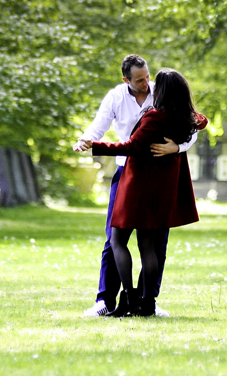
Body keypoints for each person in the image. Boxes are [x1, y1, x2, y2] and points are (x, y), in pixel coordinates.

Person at [74, 55, 198, 317]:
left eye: (147, 77)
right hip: (126, 173)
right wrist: (86, 140)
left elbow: (193, 125)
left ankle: (146, 299)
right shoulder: (116, 97)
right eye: (140, 80)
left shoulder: (162, 92)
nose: (146, 83)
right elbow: (99, 125)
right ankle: (106, 300)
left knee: (155, 242)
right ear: (126, 79)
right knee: (115, 237)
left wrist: (178, 147)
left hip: (158, 175)